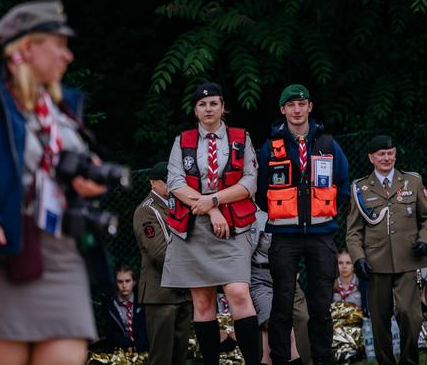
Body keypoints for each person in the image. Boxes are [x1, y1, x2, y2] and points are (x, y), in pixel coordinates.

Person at [0, 0, 106, 365]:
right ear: (28, 46)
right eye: (60, 45)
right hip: (5, 249)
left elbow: (63, 168)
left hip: (63, 253)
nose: (68, 57)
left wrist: (86, 181)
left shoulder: (65, 106)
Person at [162, 82, 260, 365]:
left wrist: (214, 201)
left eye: (214, 103)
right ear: (195, 110)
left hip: (232, 227)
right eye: (203, 104)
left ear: (223, 107)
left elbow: (249, 182)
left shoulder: (241, 138)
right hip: (193, 229)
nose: (208, 109)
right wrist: (209, 209)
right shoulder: (183, 141)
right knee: (203, 303)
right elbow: (175, 183)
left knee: (238, 293)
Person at [256, 83, 350, 365]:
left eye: (302, 104)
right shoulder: (270, 148)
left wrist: (327, 214)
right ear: (282, 110)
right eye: (291, 105)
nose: (297, 110)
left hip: (321, 236)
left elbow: (343, 183)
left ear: (310, 107)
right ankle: (281, 360)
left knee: (321, 306)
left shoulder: (328, 144)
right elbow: (261, 192)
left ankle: (323, 360)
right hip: (284, 238)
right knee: (282, 306)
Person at [345, 135, 427, 365]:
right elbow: (353, 231)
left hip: (409, 258)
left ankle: (409, 360)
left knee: (410, 314)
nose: (387, 158)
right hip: (376, 262)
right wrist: (358, 258)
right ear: (371, 158)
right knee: (379, 319)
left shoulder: (412, 181)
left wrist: (425, 240)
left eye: (390, 153)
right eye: (381, 154)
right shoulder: (360, 188)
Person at [132, 161, 191, 365]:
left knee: (180, 355)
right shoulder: (146, 210)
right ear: (153, 182)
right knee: (161, 357)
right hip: (161, 293)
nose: (171, 185)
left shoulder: (179, 206)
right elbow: (159, 252)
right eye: (166, 181)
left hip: (183, 292)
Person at [249, 208, 312, 365]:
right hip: (260, 276)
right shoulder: (255, 215)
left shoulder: (291, 211)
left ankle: (305, 360)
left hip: (286, 275)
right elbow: (246, 254)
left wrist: (293, 268)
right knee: (275, 328)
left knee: (302, 318)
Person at [103, 266, 147, 352]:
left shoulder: (142, 301)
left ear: (134, 282)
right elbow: (110, 331)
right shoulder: (110, 304)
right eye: (120, 282)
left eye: (127, 281)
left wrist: (137, 346)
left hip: (142, 348)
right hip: (119, 349)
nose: (124, 285)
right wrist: (125, 345)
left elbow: (146, 328)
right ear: (115, 283)